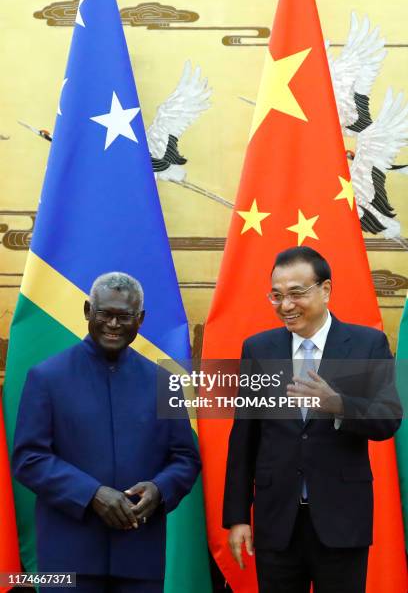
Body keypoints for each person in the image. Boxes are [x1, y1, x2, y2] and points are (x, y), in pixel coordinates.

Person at [223, 246, 402, 593]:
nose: (286, 305)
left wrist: (338, 404)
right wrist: (238, 516)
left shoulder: (366, 345)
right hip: (277, 521)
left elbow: (388, 417)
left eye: (296, 294)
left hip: (341, 520)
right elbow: (244, 437)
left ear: (326, 290)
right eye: (276, 296)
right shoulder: (259, 350)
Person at [13, 272, 201, 593]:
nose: (113, 324)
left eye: (124, 316)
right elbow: (29, 458)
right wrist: (92, 494)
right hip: (68, 556)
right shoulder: (47, 377)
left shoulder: (163, 382)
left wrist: (159, 489)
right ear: (88, 311)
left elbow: (185, 458)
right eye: (105, 314)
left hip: (139, 553)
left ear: (140, 319)